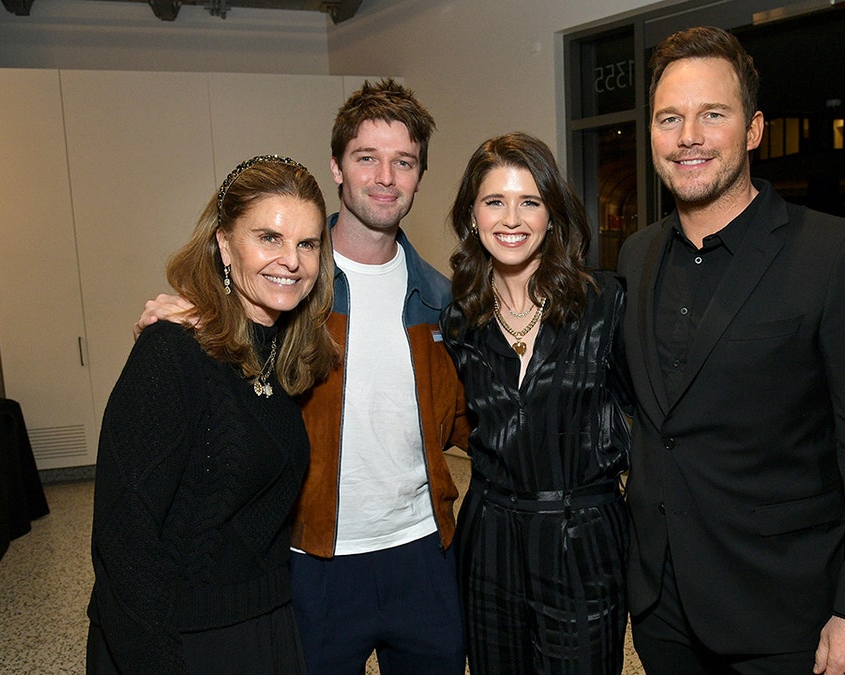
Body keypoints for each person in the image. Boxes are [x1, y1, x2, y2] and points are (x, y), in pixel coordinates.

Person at [136, 79, 471, 675]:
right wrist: (192, 313)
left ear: (420, 176)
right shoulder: (290, 288)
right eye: (366, 158)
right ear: (338, 168)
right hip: (314, 559)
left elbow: (475, 419)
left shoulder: (441, 299)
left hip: (424, 554)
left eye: (404, 162)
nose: (385, 177)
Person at [616, 26, 845, 674]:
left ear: (753, 130)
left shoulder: (839, 255)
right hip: (661, 609)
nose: (688, 135)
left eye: (712, 114)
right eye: (670, 118)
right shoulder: (637, 255)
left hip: (785, 617)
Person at [88, 155, 339, 673]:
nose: (291, 261)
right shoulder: (172, 352)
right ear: (224, 244)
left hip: (264, 626)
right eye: (269, 238)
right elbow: (123, 539)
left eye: (307, 244)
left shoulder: (282, 354)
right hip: (180, 641)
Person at [439, 133, 631, 674]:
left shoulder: (606, 304)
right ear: (472, 217)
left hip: (583, 536)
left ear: (552, 215)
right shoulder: (459, 322)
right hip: (491, 540)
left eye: (530, 201)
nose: (512, 218)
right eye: (494, 201)